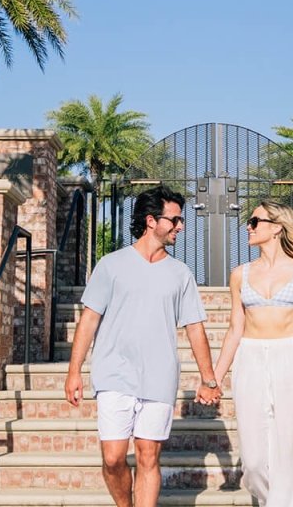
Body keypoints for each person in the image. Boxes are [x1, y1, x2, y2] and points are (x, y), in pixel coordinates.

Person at [64, 186, 220, 507]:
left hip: (159, 377)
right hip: (114, 373)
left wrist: (208, 378)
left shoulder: (180, 274)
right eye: (174, 220)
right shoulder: (111, 265)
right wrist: (74, 371)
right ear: (151, 221)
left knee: (148, 456)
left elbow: (194, 328)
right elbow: (89, 320)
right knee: (113, 458)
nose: (180, 226)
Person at [206, 200, 293, 507]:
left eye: (254, 221)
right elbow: (234, 329)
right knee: (253, 461)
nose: (248, 227)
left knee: (291, 448)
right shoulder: (240, 274)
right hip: (250, 358)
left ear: (277, 227)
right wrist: (214, 379)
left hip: (291, 355)